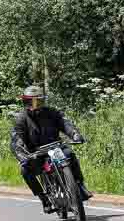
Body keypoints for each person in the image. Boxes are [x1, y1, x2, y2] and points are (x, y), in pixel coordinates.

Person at [10, 85, 93, 213]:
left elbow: (65, 124)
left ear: (43, 101)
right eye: (31, 101)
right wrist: (22, 154)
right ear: (25, 102)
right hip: (36, 153)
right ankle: (43, 198)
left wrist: (75, 134)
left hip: (56, 147)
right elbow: (16, 139)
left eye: (38, 101)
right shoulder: (21, 119)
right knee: (25, 170)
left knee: (70, 154)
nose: (34, 105)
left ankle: (80, 186)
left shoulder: (52, 113)